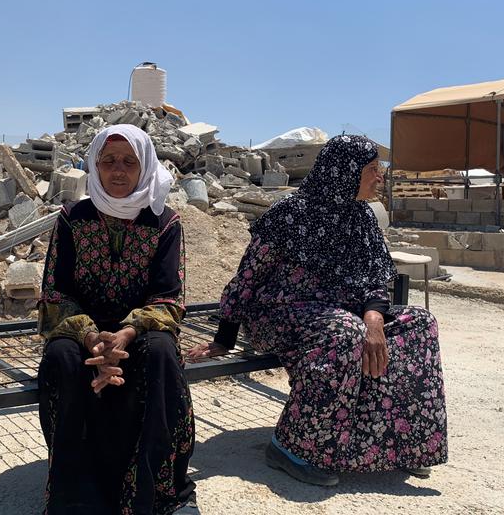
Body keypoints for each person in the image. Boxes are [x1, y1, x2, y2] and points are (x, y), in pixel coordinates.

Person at [189, 134, 447, 486]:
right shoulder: (290, 214)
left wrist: (374, 318)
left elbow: (374, 278)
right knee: (344, 332)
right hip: (280, 313)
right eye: (372, 170)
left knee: (418, 324)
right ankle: (293, 446)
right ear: (344, 171)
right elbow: (248, 276)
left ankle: (397, 442)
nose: (379, 177)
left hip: (344, 314)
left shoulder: (362, 219)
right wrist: (225, 337)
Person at [37, 124, 197, 515]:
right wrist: (92, 337)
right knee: (61, 357)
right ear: (95, 164)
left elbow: (168, 297)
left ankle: (159, 493)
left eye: (129, 161)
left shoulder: (165, 222)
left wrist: (125, 333)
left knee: (160, 353)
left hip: (140, 330)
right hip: (81, 329)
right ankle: (75, 498)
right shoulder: (73, 217)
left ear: (145, 167)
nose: (118, 171)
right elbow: (55, 292)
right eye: (108, 161)